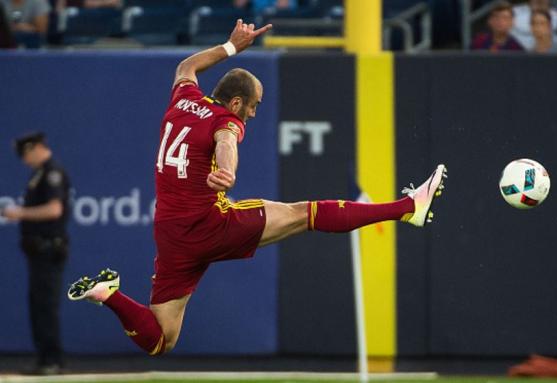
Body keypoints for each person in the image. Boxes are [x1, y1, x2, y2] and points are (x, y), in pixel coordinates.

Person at [67, 19, 447, 356]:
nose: (253, 112)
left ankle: (109, 295)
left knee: (161, 339)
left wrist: (231, 47)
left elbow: (186, 66)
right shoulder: (227, 121)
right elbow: (227, 143)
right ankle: (408, 208)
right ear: (236, 101)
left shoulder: (183, 99)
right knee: (305, 213)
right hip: (208, 223)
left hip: (171, 235)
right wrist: (228, 173)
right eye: (254, 105)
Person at [1, 132, 71, 375]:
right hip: (37, 251)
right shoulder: (39, 174)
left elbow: (54, 210)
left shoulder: (52, 173)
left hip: (48, 249)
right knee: (38, 306)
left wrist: (19, 213)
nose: (24, 160)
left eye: (25, 154)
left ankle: (52, 360)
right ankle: (44, 359)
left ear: (35, 148)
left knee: (45, 306)